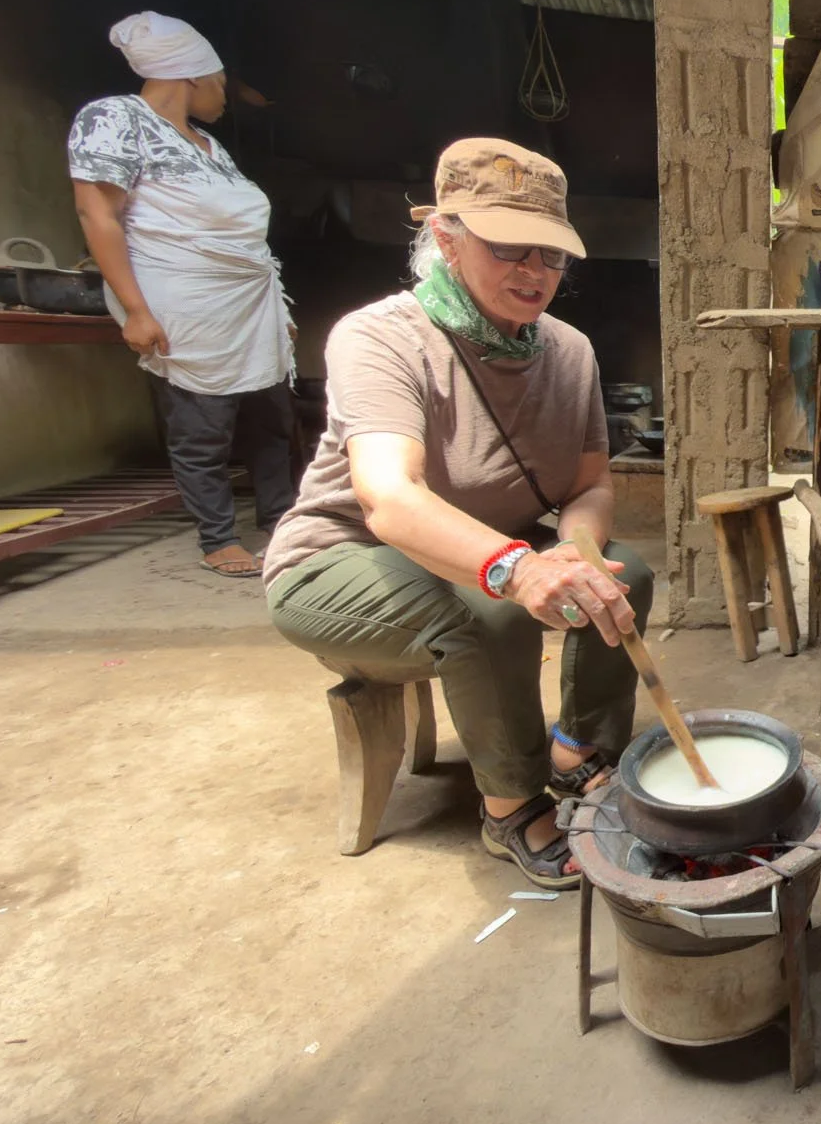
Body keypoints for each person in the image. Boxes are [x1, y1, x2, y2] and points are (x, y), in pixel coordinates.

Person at [263, 139, 649, 890]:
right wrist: (514, 566)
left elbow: (590, 486)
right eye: (509, 249)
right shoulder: (380, 337)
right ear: (446, 237)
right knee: (489, 612)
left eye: (551, 255)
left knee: (622, 571)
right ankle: (510, 807)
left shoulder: (568, 351)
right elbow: (388, 496)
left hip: (489, 544)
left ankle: (576, 749)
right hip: (340, 559)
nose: (533, 274)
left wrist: (574, 548)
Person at [70, 11, 297, 578]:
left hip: (248, 302)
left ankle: (285, 522)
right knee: (203, 425)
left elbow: (238, 231)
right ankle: (217, 538)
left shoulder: (210, 146)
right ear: (192, 76)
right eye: (220, 82)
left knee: (271, 418)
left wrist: (278, 310)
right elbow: (98, 212)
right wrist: (137, 309)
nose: (224, 95)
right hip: (185, 300)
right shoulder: (114, 117)